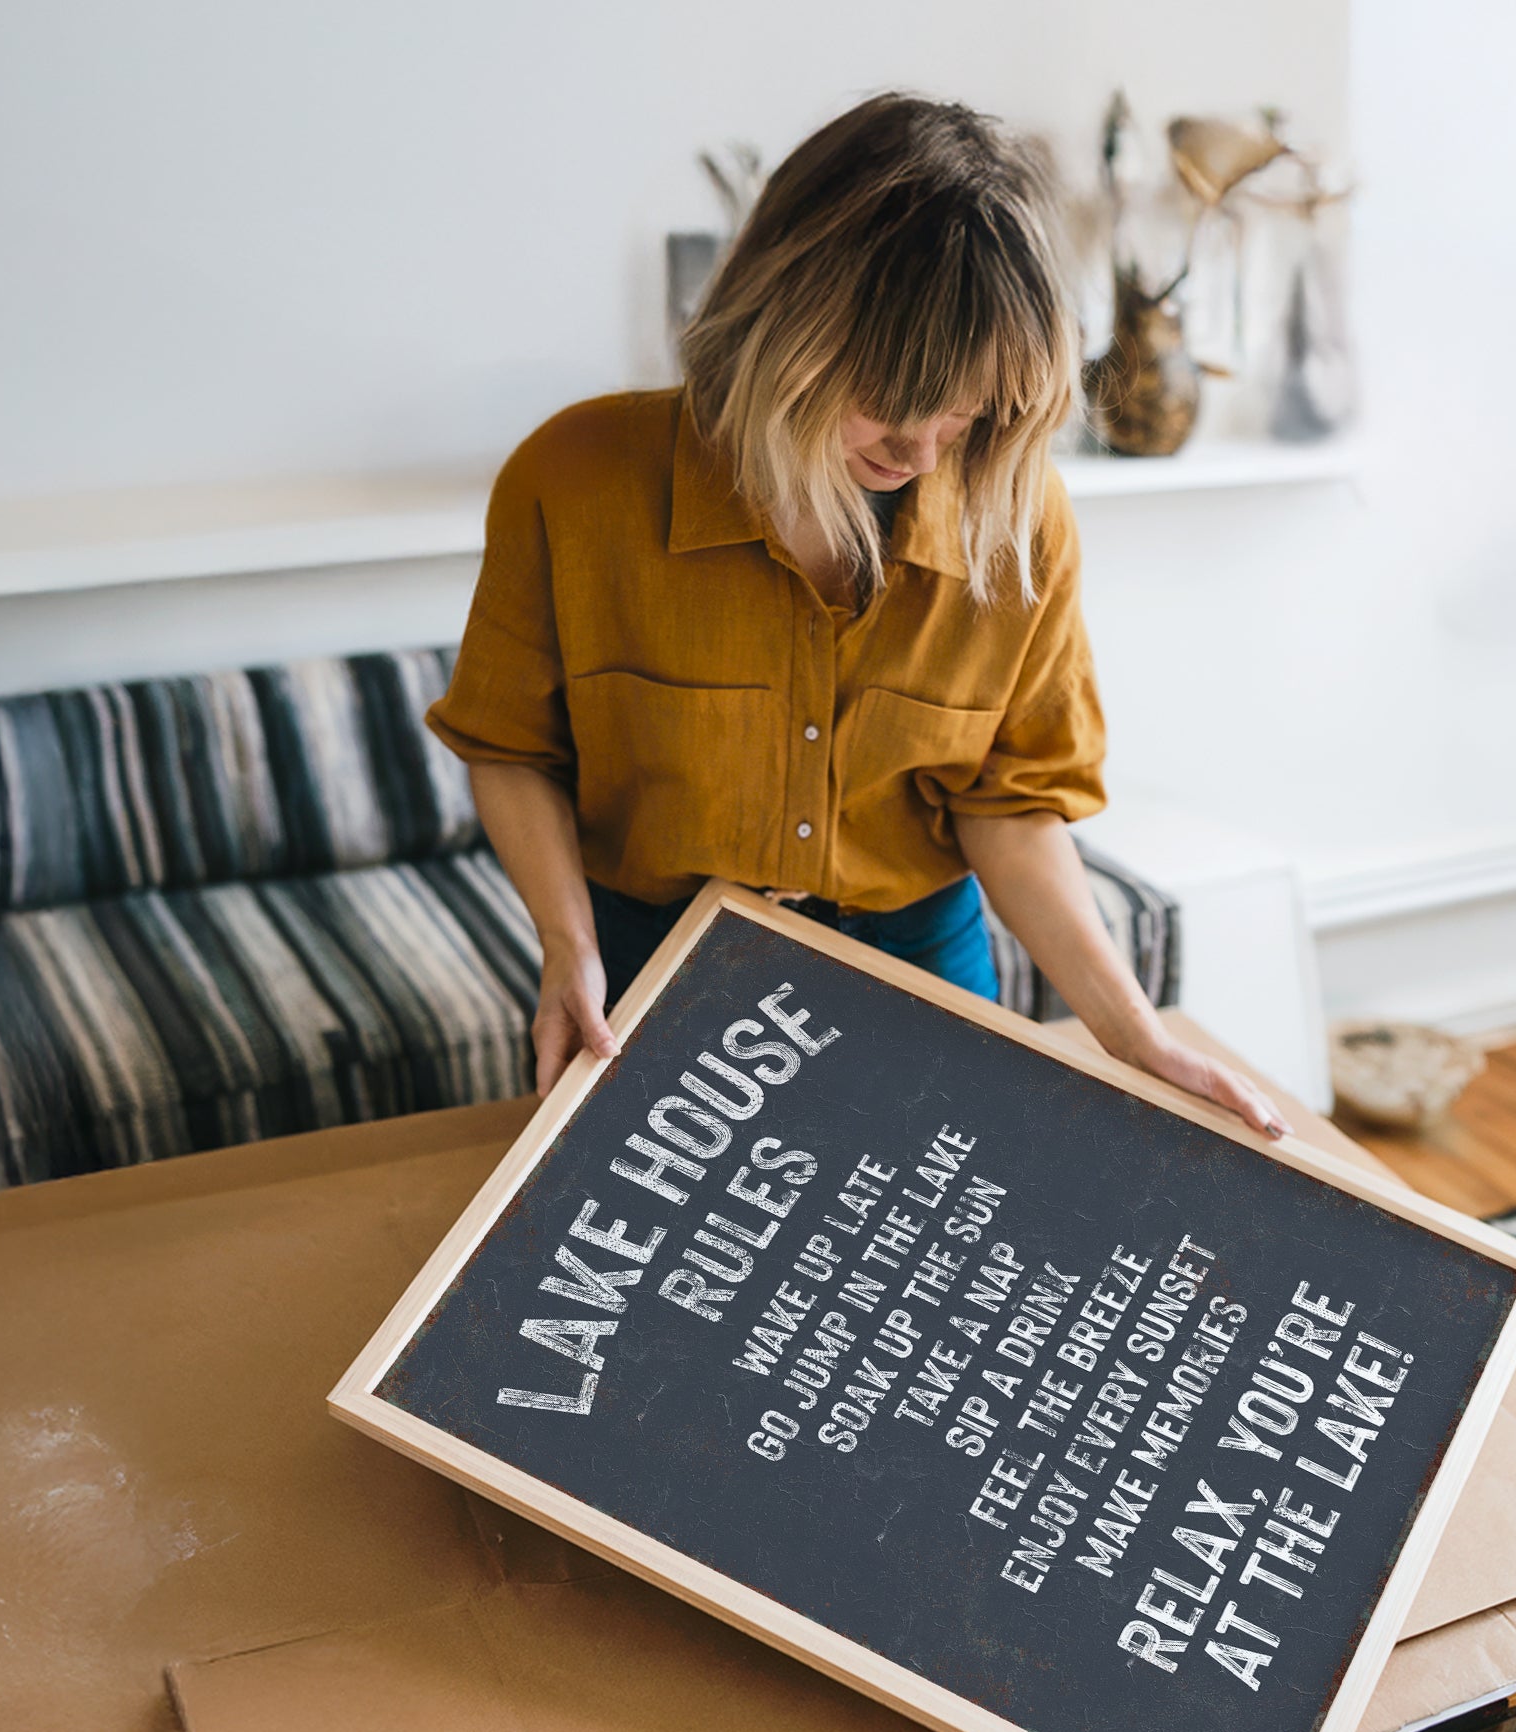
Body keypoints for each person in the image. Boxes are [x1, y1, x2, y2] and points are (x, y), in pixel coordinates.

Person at [427, 92, 1289, 1140]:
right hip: (653, 963)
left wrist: (1131, 1034)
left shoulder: (1016, 523)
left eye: (967, 410)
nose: (926, 449)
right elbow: (508, 746)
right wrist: (568, 949)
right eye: (890, 396)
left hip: (920, 959)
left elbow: (1010, 808)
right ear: (784, 324)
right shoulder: (574, 481)